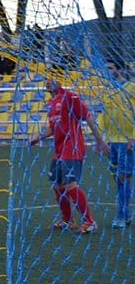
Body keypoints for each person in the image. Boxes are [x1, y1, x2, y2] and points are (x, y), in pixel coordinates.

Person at [30, 69, 109, 233]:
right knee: (57, 185)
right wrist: (39, 137)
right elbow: (53, 128)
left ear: (60, 80)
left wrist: (100, 141)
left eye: (52, 78)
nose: (48, 81)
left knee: (70, 184)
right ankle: (68, 220)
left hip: (72, 148)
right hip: (58, 150)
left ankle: (90, 221)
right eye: (47, 79)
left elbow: (88, 116)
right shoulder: (51, 103)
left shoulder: (70, 97)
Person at [101, 60, 135, 228]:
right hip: (112, 141)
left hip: (126, 141)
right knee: (118, 178)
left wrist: (133, 137)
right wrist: (102, 138)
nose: (107, 71)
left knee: (123, 177)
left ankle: (121, 216)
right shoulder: (108, 90)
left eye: (110, 68)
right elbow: (104, 115)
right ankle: (126, 214)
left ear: (120, 69)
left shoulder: (131, 88)